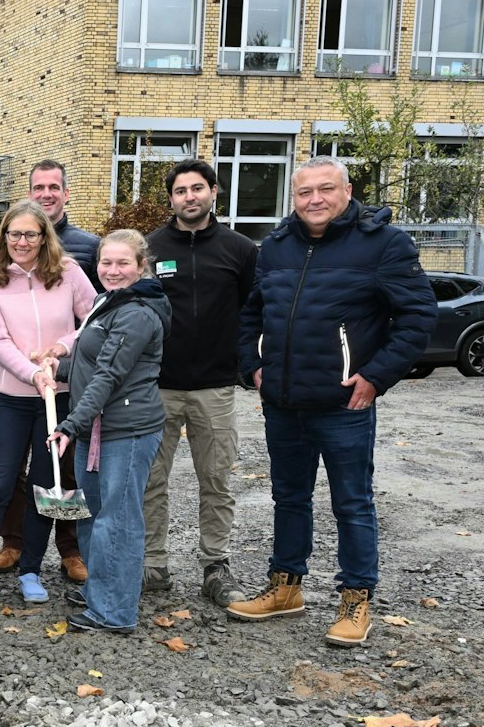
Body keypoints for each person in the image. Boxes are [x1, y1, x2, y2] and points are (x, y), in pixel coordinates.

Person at [229, 156, 435, 645]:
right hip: (282, 402)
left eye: (325, 189)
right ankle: (286, 588)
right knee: (289, 499)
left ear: (346, 192)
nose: (314, 200)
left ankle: (355, 599)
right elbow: (250, 316)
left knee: (352, 504)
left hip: (345, 405)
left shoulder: (383, 244)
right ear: (293, 198)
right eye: (304, 192)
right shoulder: (276, 247)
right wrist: (253, 367)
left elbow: (418, 317)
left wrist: (376, 376)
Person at [0, 200, 96, 614]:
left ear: (43, 236)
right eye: (14, 233)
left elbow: (91, 320)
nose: (21, 241)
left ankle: (30, 571)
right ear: (4, 237)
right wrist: (32, 373)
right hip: (13, 399)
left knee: (43, 485)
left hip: (61, 398)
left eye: (30, 234)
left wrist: (61, 350)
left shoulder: (68, 272)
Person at [35, 229, 170, 633]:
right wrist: (57, 370)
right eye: (106, 262)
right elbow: (90, 364)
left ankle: (115, 612)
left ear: (141, 266)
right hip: (97, 427)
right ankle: (101, 590)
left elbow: (110, 374)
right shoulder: (107, 302)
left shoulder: (137, 312)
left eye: (122, 263)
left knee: (118, 520)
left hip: (125, 431)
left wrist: (69, 424)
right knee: (91, 515)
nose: (112, 270)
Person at [143, 159, 258, 605]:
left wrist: (247, 367)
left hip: (215, 387)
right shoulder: (150, 248)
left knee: (216, 479)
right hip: (158, 387)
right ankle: (153, 565)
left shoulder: (240, 250)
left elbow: (253, 315)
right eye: (180, 191)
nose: (189, 197)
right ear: (171, 198)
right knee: (152, 479)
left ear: (213, 192)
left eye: (197, 189)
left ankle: (216, 565)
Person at [0, 160, 95, 579]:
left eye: (55, 186)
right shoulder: (12, 249)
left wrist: (66, 352)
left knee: (63, 467)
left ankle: (71, 549)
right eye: (39, 186)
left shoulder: (87, 249)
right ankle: (14, 543)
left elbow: (95, 317)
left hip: (67, 382)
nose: (47, 193)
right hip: (19, 385)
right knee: (14, 471)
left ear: (66, 193)